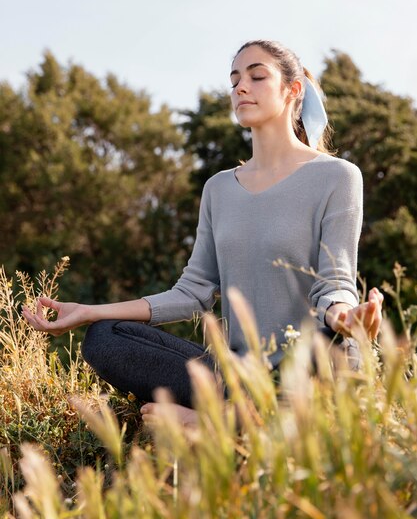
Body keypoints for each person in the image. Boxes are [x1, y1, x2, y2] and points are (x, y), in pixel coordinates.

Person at [22, 40, 383, 427]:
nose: (241, 87)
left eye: (257, 76)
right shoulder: (219, 189)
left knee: (333, 355)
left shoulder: (336, 176)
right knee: (106, 337)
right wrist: (88, 312)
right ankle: (236, 416)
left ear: (292, 90)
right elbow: (192, 292)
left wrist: (346, 316)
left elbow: (334, 282)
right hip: (237, 376)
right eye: (235, 80)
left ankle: (216, 423)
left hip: (307, 366)